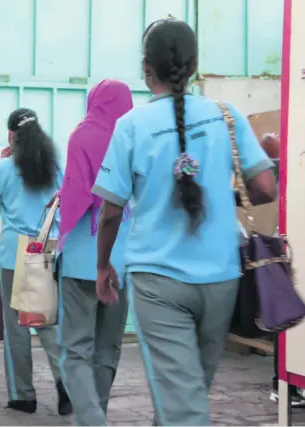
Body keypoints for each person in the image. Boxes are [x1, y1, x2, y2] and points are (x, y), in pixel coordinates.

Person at [92, 18, 277, 425]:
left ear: (146, 69)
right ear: (192, 66)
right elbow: (265, 187)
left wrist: (104, 265)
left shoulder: (131, 127)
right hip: (221, 276)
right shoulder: (227, 117)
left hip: (158, 282)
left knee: (182, 400)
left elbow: (110, 212)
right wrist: (220, 195)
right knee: (188, 392)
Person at [0, 108, 72, 416]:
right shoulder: (55, 165)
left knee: (17, 329)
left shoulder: (5, 167)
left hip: (13, 254)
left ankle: (23, 395)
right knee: (46, 324)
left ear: (11, 136)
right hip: (44, 248)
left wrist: (4, 163)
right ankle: (66, 385)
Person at [56, 80, 133, 426]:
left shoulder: (83, 134)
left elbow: (77, 194)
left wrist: (62, 205)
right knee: (107, 348)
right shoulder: (134, 134)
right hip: (123, 258)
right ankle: (95, 414)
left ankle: (91, 421)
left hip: (80, 261)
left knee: (74, 351)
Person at [261, 133, 305, 406]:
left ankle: (287, 385)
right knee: (288, 317)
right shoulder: (289, 160)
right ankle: (284, 385)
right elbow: (267, 141)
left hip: (290, 247)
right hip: (290, 249)